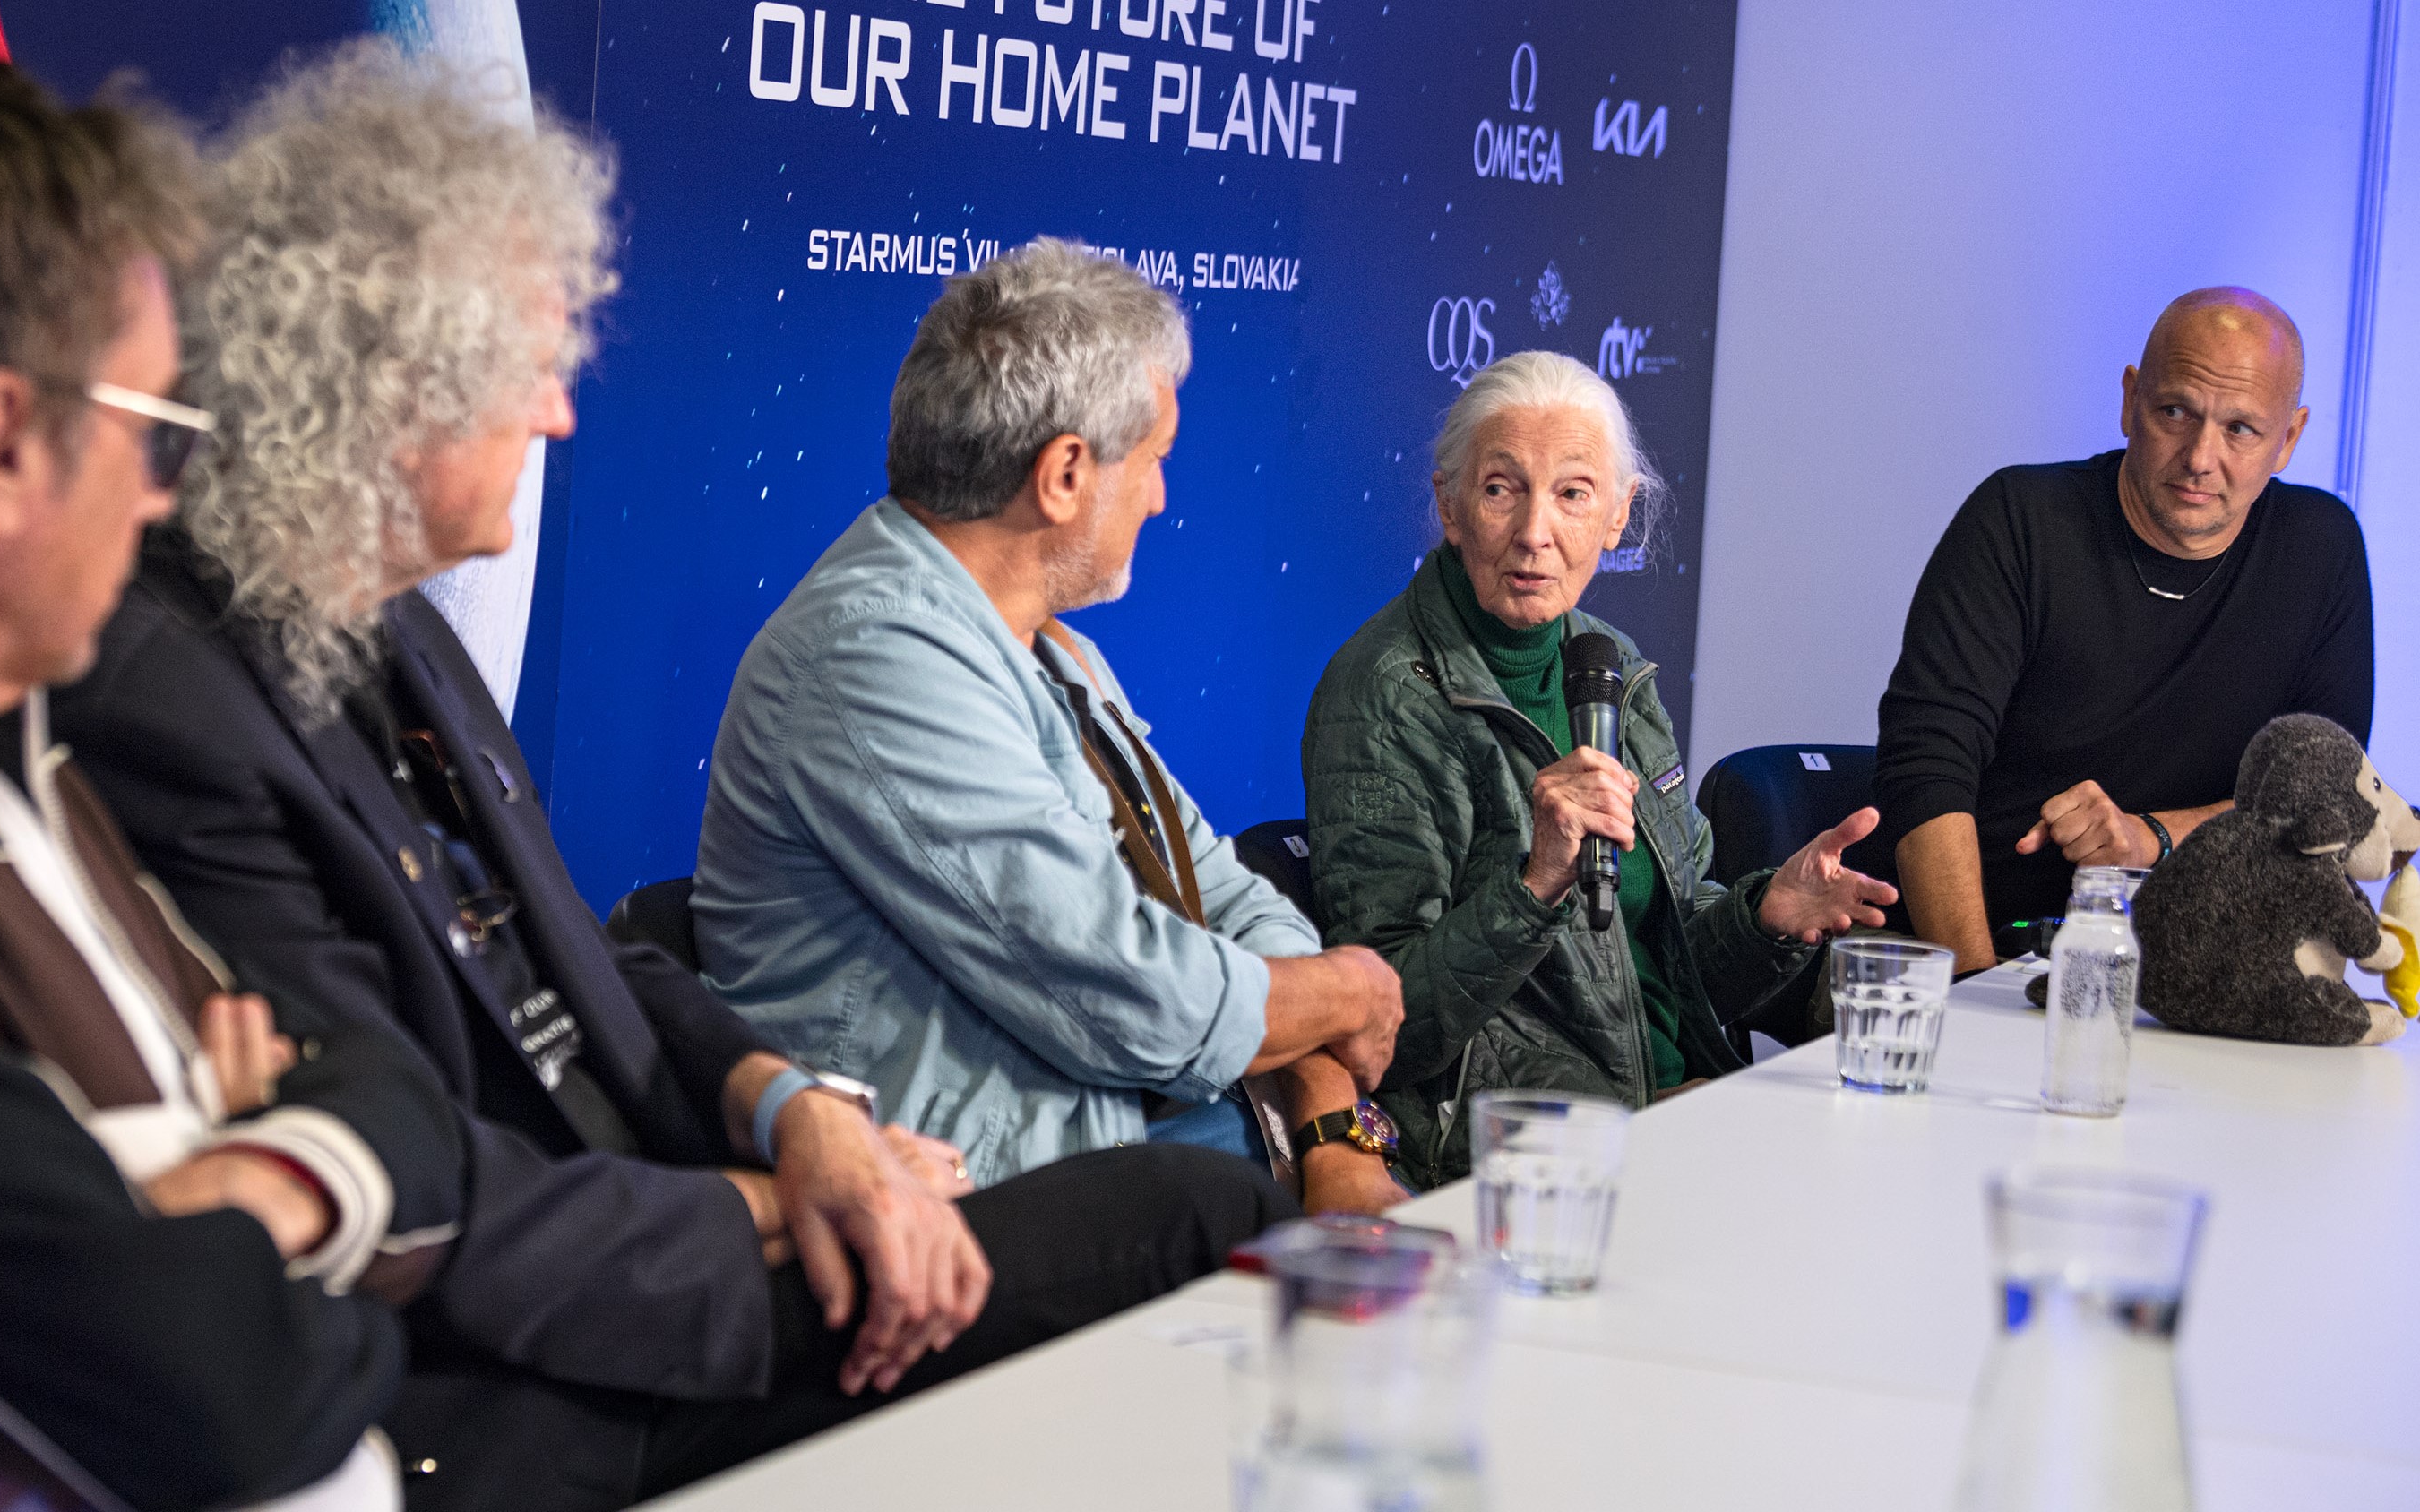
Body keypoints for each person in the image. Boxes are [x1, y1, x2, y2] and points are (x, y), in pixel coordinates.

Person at [47, 49, 1292, 1512]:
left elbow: (591, 953)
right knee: (1203, 1225)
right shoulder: (172, 701)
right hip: (565, 1371)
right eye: (537, 363)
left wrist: (798, 1111)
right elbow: (406, 1163)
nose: (563, 416)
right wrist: (769, 1216)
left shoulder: (386, 630)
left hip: (690, 1212)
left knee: (1208, 1206)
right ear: (398, 380)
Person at [0, 47, 465, 1511]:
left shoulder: (17, 743)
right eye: (149, 434)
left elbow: (406, 1106)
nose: (159, 493)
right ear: (4, 443)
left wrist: (228, 1182)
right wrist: (226, 1142)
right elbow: (218, 1388)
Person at [693, 238, 1407, 1211]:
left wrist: (1331, 1126)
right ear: (1066, 472)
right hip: (961, 1220)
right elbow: (1137, 995)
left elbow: (1224, 901)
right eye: (1154, 459)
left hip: (1116, 1146)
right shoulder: (876, 657)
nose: (1162, 495)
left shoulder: (1049, 652)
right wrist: (1357, 992)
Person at [1301, 351, 1895, 1189]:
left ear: (1617, 516)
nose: (1535, 533)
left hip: (1671, 1110)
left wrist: (1768, 914)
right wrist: (1536, 882)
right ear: (1450, 507)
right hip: (1521, 1154)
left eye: (1573, 494)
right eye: (1502, 488)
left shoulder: (1612, 670)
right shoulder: (1384, 695)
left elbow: (1671, 958)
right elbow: (1385, 1024)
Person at [1875, 288, 2375, 971]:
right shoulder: (2022, 520)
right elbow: (1926, 766)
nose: (2201, 457)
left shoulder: (2320, 548)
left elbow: (2326, 797)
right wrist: (1968, 987)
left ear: (2288, 438)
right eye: (2177, 412)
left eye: (2240, 430)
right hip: (1982, 945)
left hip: (2201, 978)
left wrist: (2152, 838)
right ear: (2131, 400)